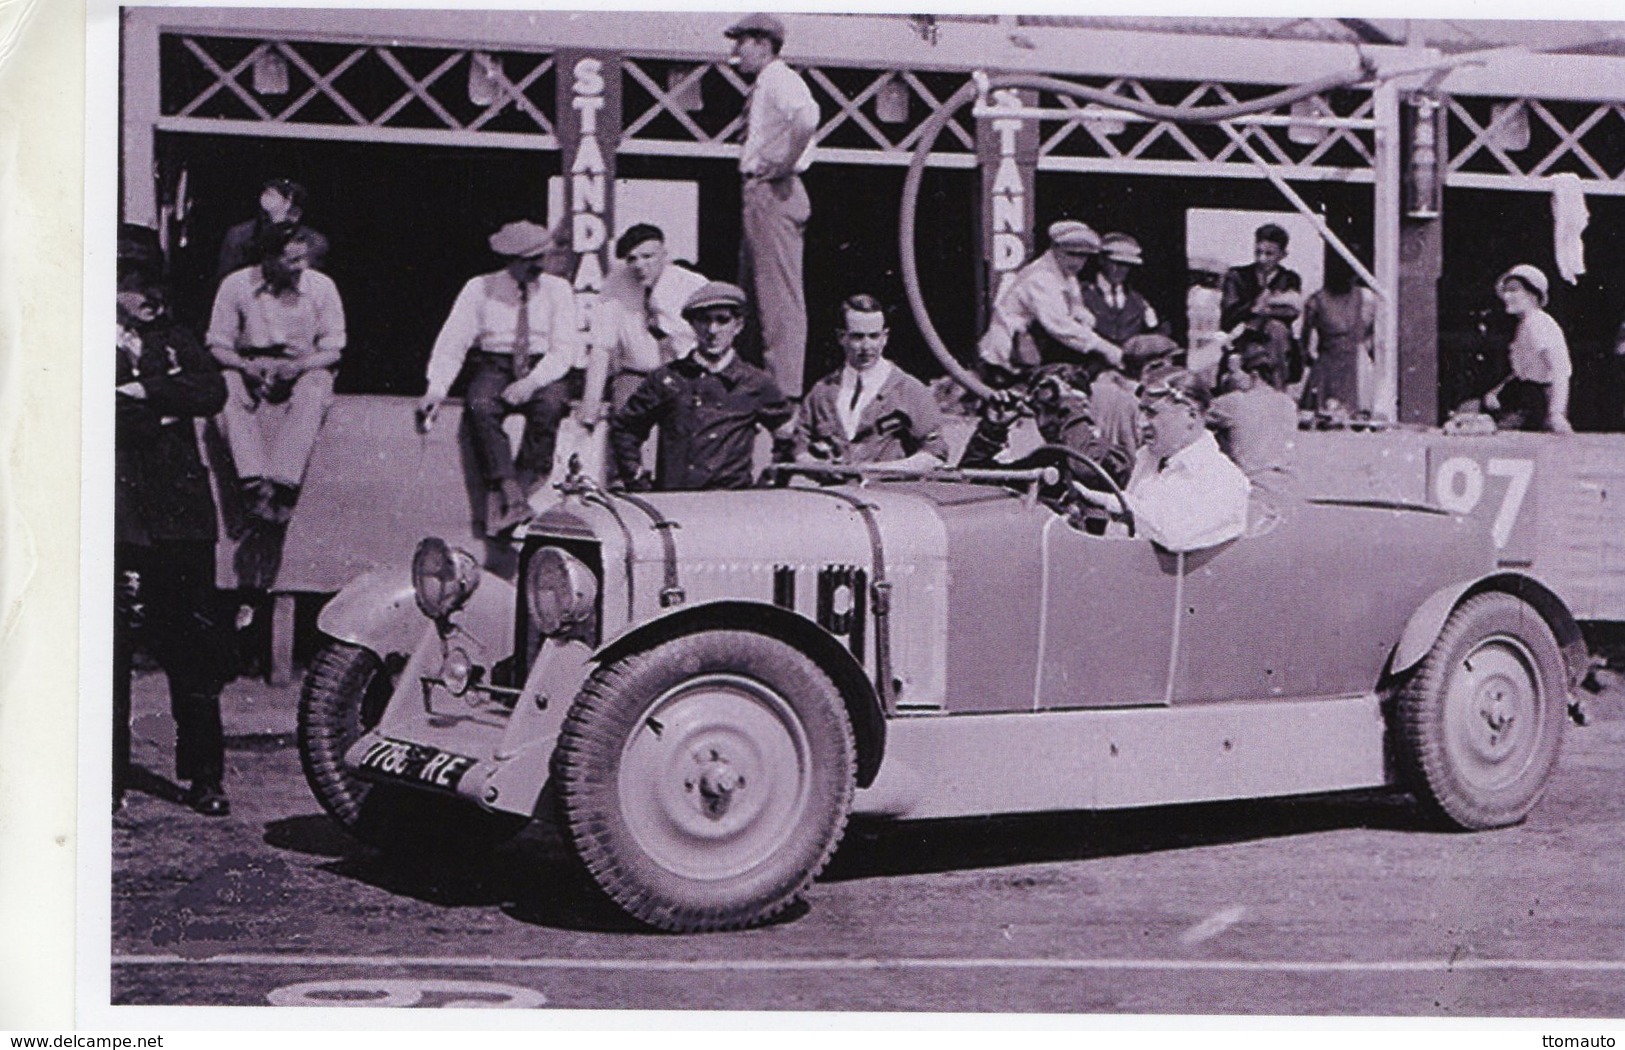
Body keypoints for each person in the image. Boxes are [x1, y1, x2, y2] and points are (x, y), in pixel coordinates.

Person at [116, 270, 233, 816]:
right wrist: (163, 407)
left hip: (182, 519)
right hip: (118, 514)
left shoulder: (176, 339)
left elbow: (212, 391)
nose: (147, 302)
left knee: (194, 650)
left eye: (151, 291)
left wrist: (145, 390)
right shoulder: (77, 335)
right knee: (108, 654)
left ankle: (206, 777)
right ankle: (105, 778)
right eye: (133, 289)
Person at [419, 220, 583, 534]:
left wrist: (531, 383)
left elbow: (564, 350)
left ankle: (522, 493)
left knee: (550, 406)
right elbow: (454, 340)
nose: (539, 266)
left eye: (542, 258)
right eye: (530, 260)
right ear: (511, 261)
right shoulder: (479, 287)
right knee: (480, 404)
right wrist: (436, 388)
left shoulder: (558, 290)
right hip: (495, 363)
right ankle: (510, 491)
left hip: (543, 364)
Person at [207, 224, 345, 525]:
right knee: (225, 384)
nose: (302, 267)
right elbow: (217, 344)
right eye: (292, 261)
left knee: (316, 386)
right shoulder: (235, 285)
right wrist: (246, 367)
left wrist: (298, 366)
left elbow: (333, 348)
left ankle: (284, 483)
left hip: (303, 365)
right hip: (249, 365)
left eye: (303, 259)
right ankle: (253, 482)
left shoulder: (321, 287)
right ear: (268, 259)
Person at [611, 281, 793, 491]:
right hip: (675, 503)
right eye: (704, 320)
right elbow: (625, 428)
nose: (712, 330)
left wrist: (770, 484)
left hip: (732, 506)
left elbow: (788, 434)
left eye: (722, 320)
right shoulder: (668, 379)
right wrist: (637, 480)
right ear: (692, 325)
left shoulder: (755, 383)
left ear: (738, 326)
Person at [727, 13, 819, 397]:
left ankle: (784, 393)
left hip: (775, 190)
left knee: (778, 297)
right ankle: (754, 381)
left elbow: (807, 118)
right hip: (761, 192)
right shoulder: (768, 84)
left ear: (763, 45)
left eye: (741, 43)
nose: (736, 53)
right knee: (753, 293)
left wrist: (783, 161)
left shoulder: (780, 79)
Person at [1071, 369, 1251, 552]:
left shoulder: (1222, 477)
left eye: (1151, 413)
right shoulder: (1149, 460)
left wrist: (1113, 502)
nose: (1140, 423)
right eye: (1141, 411)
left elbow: (1175, 535)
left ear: (1191, 416)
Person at [794, 294, 948, 469]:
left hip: (889, 492)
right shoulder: (822, 392)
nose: (867, 347)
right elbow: (799, 447)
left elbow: (935, 453)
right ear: (841, 337)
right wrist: (816, 464)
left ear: (885, 337)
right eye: (857, 337)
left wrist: (883, 469)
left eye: (874, 336)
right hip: (836, 492)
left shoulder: (909, 390)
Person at [585, 223, 709, 420]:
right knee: (625, 418)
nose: (640, 265)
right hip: (637, 374)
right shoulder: (615, 284)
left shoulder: (693, 285)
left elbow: (711, 339)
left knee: (686, 420)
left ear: (664, 254)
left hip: (685, 374)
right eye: (632, 259)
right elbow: (601, 346)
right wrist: (590, 403)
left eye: (647, 256)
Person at [979, 220, 1125, 376]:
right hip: (1008, 357)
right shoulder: (1041, 277)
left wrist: (1086, 320)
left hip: (1031, 351)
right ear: (1055, 248)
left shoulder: (1067, 275)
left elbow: (1076, 308)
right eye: (1071, 254)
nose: (1077, 262)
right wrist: (1105, 348)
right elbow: (1059, 324)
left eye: (1083, 256)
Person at [1483, 264, 1573, 434]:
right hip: (1527, 399)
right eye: (1505, 291)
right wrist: (1497, 391)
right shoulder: (1525, 325)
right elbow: (1525, 369)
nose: (1507, 296)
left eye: (1514, 290)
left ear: (1532, 295)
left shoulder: (1538, 323)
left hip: (1541, 403)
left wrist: (1556, 414)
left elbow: (1559, 371)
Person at [1089, 332, 1182, 487]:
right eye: (1169, 364)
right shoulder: (1144, 404)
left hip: (1094, 475)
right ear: (1153, 367)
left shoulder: (1096, 388)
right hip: (1129, 481)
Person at [1208, 339, 1299, 496]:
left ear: (1254, 375)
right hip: (1284, 483)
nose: (1229, 377)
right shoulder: (1287, 402)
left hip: (1248, 483)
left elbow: (1195, 415)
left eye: (1234, 372)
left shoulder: (1234, 401)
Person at [1220, 223, 1303, 389]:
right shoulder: (1237, 276)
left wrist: (1261, 309)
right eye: (1258, 252)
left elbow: (1292, 312)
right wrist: (1255, 306)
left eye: (1269, 254)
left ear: (1283, 254)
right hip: (1244, 345)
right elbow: (1229, 314)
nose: (1261, 259)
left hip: (1277, 350)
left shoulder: (1290, 278)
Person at [216, 178, 330, 284]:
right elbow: (227, 281)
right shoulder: (239, 235)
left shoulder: (315, 242)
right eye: (267, 193)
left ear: (296, 212)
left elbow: (313, 282)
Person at [1301, 255, 1376, 414]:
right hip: (1327, 367)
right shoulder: (1315, 301)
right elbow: (1305, 343)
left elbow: (1373, 334)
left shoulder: (1366, 297)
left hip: (1356, 365)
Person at [1080, 233, 1164, 347]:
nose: (1121, 270)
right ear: (1101, 260)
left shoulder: (1138, 301)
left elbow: (1156, 332)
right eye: (1116, 263)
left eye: (1126, 264)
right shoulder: (1080, 294)